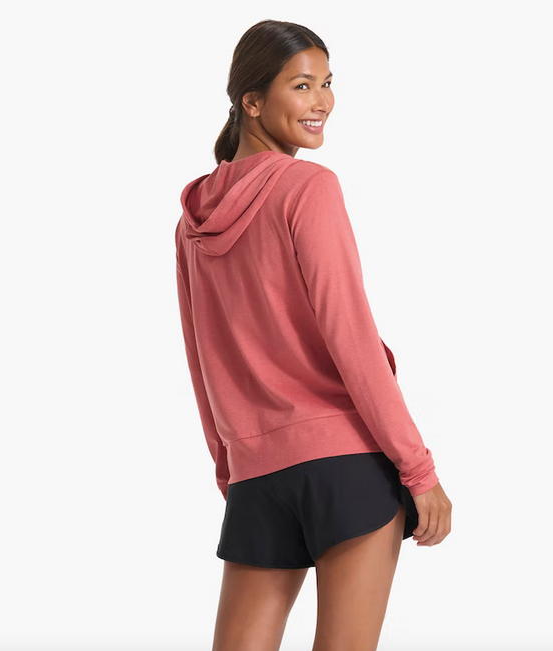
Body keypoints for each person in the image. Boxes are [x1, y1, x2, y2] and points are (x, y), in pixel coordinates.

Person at [175, 19, 452, 651]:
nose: (322, 101)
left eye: (327, 83)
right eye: (302, 85)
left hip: (257, 474)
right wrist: (419, 470)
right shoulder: (308, 188)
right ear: (251, 101)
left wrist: (232, 472)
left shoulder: (193, 218)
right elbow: (351, 337)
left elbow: (201, 357)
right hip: (345, 464)